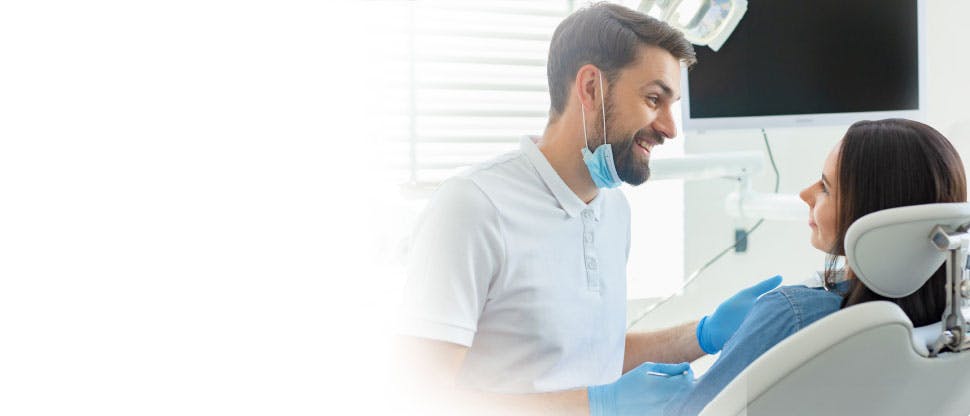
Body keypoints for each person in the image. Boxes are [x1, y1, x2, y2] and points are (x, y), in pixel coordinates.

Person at [393, 3, 782, 415]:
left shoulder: (614, 209)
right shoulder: (473, 207)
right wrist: (598, 405)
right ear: (591, 87)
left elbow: (593, 356)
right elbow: (420, 397)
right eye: (654, 99)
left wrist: (702, 335)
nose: (670, 127)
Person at [662, 118, 968, 415]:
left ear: (870, 210)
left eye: (825, 187)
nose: (805, 194)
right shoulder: (954, 321)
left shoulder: (793, 314)